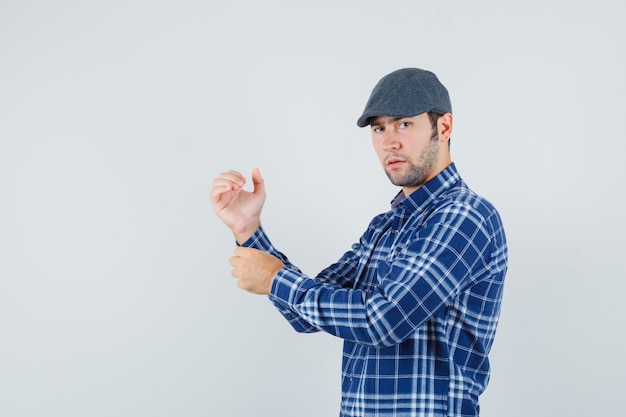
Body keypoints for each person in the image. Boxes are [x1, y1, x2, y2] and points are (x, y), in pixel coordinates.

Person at [210, 68, 508, 417]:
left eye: (403, 124)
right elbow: (306, 313)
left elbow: (383, 320)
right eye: (379, 128)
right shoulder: (385, 226)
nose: (388, 142)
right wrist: (249, 230)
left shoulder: (465, 216)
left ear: (443, 128)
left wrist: (275, 279)